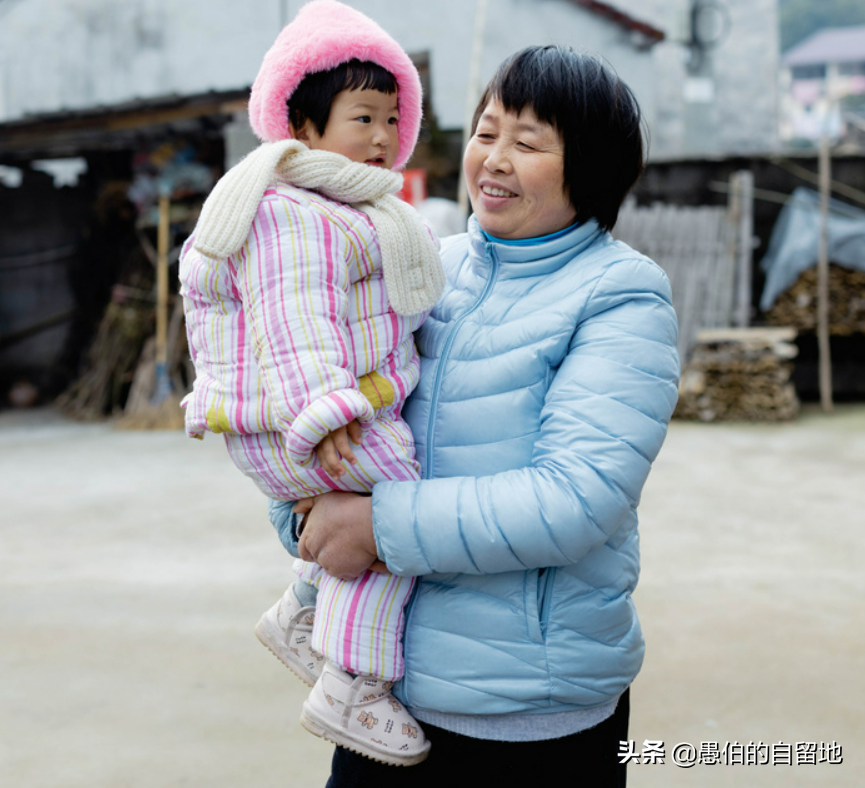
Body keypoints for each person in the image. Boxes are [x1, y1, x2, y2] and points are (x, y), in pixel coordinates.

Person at [272, 45, 682, 786]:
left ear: (588, 168)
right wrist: (303, 514)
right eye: (486, 132)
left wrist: (371, 527)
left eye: (526, 143)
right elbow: (328, 399)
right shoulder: (423, 260)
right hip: (381, 699)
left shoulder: (620, 294)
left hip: (530, 718)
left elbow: (574, 499)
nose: (492, 159)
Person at [179, 0, 444, 767]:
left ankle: (300, 609)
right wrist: (326, 410)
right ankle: (353, 686)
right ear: (301, 128)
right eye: (361, 118)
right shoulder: (295, 213)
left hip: (300, 413)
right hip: (313, 417)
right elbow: (293, 317)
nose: (382, 137)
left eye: (393, 119)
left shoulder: (342, 206)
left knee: (375, 523)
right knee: (398, 524)